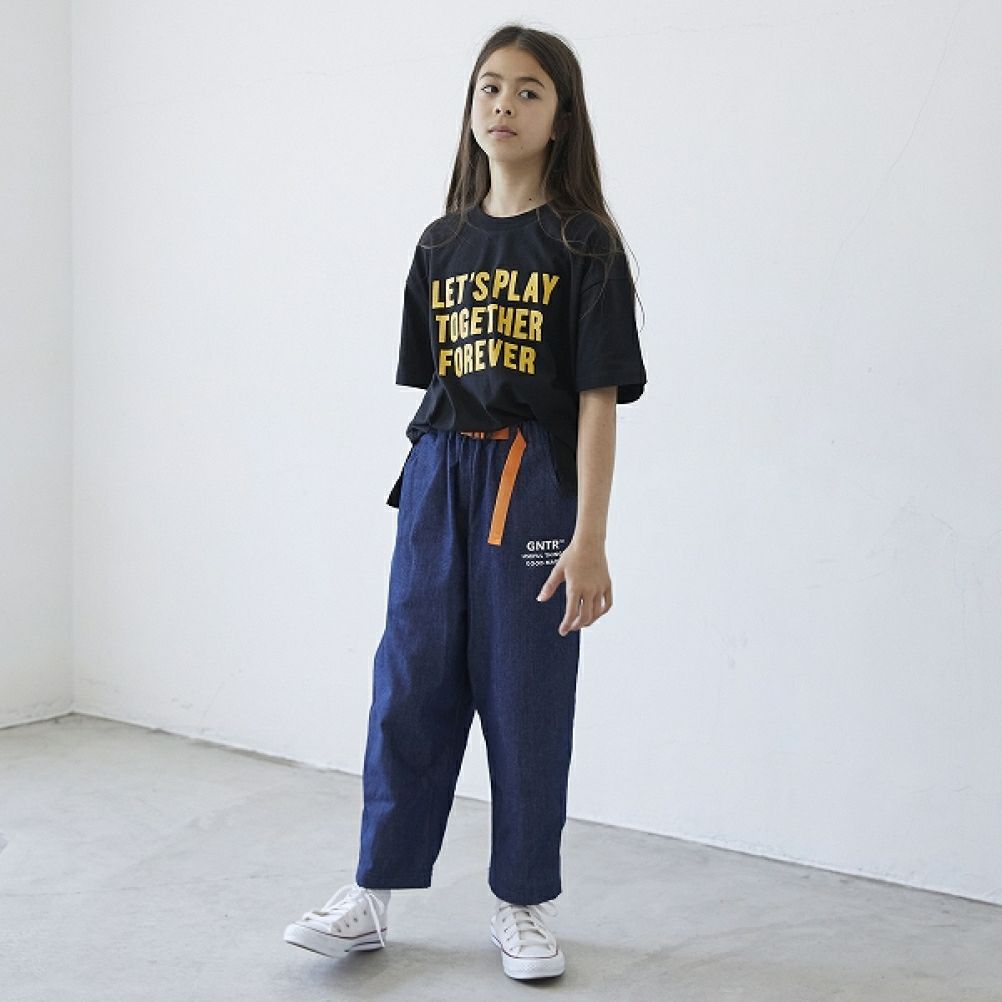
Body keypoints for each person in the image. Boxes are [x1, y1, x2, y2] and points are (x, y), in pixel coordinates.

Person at [284, 22, 648, 982]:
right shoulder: (440, 242)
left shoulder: (583, 243)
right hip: (439, 479)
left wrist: (590, 537)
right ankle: (372, 892)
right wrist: (431, 498)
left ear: (561, 116)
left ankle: (522, 902)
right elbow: (435, 385)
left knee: (526, 695)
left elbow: (597, 400)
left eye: (529, 91)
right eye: (490, 86)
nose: (504, 105)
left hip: (531, 486)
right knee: (410, 684)